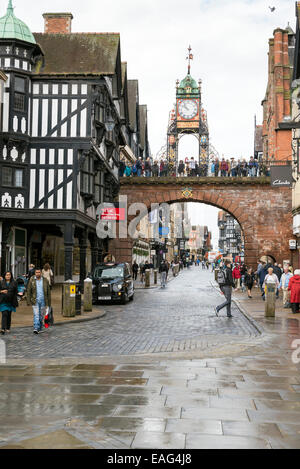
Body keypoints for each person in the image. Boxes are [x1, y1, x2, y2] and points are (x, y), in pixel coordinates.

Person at [27, 268, 51, 334]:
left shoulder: (45, 280)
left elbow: (48, 292)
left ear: (41, 273)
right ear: (35, 273)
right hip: (35, 300)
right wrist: (28, 301)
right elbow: (29, 290)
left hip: (43, 300)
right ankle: (36, 327)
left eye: (39, 272)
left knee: (41, 315)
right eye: (36, 272)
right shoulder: (32, 280)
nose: (38, 274)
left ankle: (40, 327)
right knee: (36, 314)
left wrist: (49, 303)